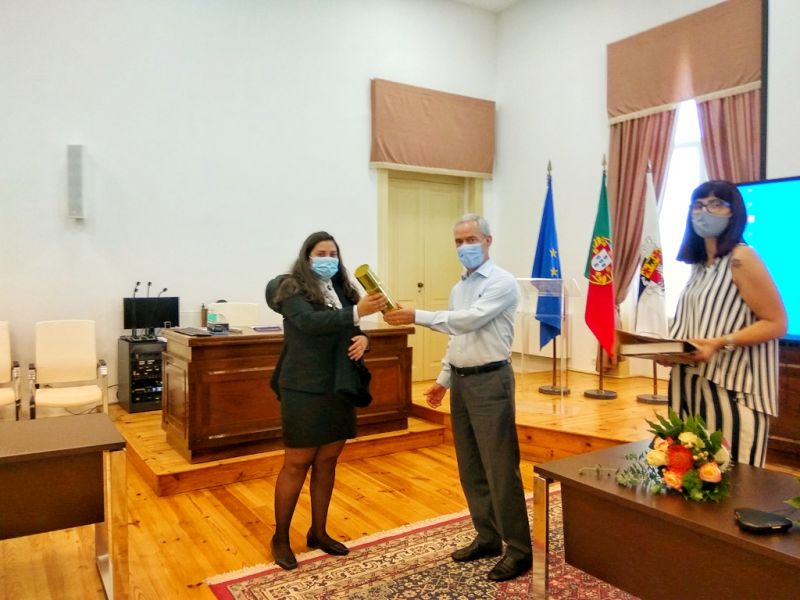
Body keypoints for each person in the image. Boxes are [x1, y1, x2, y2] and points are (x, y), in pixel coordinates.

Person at [383, 213, 532, 582]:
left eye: (471, 239)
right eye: (458, 242)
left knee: (500, 468)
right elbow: (457, 339)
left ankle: (519, 549)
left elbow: (469, 321)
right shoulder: (458, 287)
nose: (465, 247)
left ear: (488, 241)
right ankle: (487, 537)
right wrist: (443, 380)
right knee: (470, 466)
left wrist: (415, 314)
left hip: (491, 382)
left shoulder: (502, 282)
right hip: (463, 384)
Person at [265, 231, 385, 570]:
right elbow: (310, 323)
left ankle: (318, 532)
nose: (328, 259)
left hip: (338, 385)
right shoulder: (290, 288)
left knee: (328, 460)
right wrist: (357, 313)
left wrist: (364, 339)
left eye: (333, 253)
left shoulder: (343, 289)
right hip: (304, 387)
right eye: (321, 253)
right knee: (297, 462)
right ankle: (280, 537)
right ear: (307, 256)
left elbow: (350, 329)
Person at [667, 180, 787, 467]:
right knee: (691, 476)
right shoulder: (699, 266)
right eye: (698, 205)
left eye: (716, 204)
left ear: (734, 213)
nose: (704, 211)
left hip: (732, 389)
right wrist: (667, 351)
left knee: (734, 479)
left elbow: (776, 322)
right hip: (691, 386)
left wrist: (720, 343)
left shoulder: (742, 258)